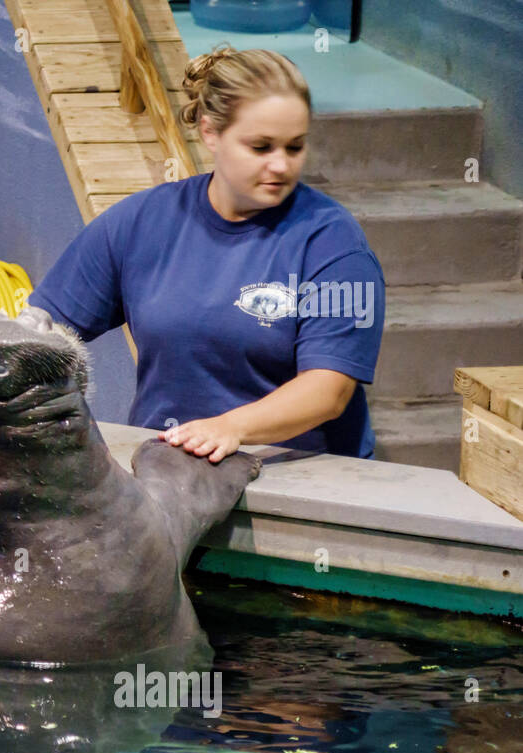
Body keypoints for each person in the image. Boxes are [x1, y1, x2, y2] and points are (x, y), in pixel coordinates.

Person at [24, 45, 385, 461]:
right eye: (261, 147)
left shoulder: (333, 242)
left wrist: (232, 427)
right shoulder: (143, 222)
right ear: (210, 132)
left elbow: (329, 391)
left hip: (303, 482)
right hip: (167, 475)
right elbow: (37, 333)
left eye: (294, 146)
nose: (282, 166)